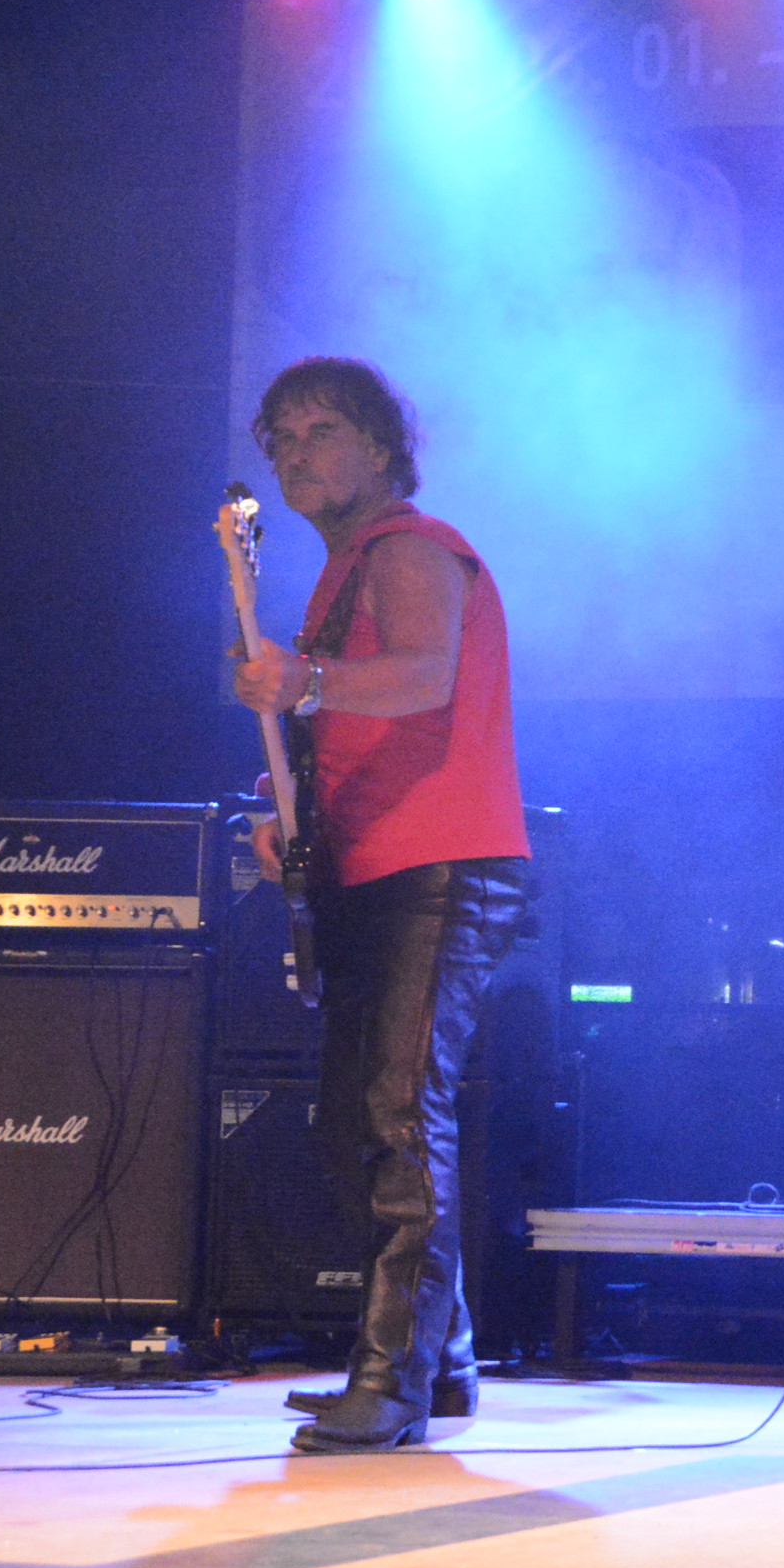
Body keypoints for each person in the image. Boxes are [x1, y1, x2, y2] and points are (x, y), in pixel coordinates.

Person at [234, 358, 535, 1455]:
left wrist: (304, 682)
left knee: (399, 1115)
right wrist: (288, 817)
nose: (294, 454)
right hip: (373, 867)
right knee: (351, 1123)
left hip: (441, 861)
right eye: (280, 440)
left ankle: (392, 1378)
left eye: (319, 431)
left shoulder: (410, 546)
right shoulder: (341, 573)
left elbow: (423, 674)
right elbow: (352, 731)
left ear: (379, 447)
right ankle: (437, 1359)